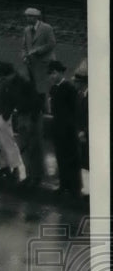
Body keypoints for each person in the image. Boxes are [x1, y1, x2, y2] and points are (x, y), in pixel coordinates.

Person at [47, 60, 81, 200]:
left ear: (61, 73)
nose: (52, 76)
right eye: (50, 74)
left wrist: (73, 128)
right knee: (60, 158)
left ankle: (75, 188)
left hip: (69, 130)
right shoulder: (53, 88)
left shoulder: (69, 88)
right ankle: (63, 185)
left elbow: (75, 111)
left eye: (54, 73)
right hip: (58, 128)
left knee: (71, 158)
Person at [10, 70, 45, 189]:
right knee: (24, 148)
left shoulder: (27, 86)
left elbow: (38, 103)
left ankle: (36, 176)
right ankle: (30, 175)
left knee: (33, 148)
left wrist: (33, 121)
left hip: (30, 117)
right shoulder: (13, 86)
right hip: (21, 116)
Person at [21, 8, 56, 104]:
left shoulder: (46, 28)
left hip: (44, 63)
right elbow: (24, 46)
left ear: (36, 17)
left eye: (29, 16)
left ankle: (47, 109)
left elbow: (51, 44)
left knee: (44, 88)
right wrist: (24, 56)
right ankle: (36, 107)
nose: (27, 18)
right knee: (32, 87)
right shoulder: (26, 30)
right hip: (31, 64)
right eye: (26, 16)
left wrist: (37, 50)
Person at [73, 59, 88, 173]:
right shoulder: (78, 94)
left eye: (76, 82)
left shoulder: (90, 96)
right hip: (79, 133)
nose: (74, 84)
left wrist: (84, 131)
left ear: (82, 83)